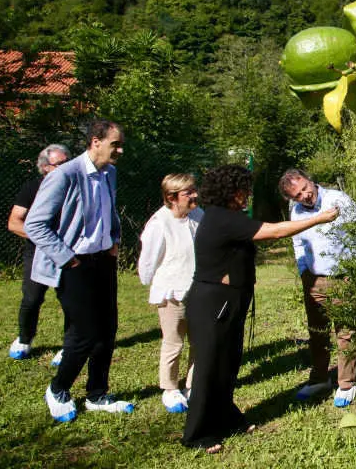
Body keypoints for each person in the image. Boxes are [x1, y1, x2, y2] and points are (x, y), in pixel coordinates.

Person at [182, 164, 338, 453]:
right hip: (214, 303)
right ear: (231, 191)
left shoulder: (227, 217)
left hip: (230, 301)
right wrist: (320, 218)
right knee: (209, 368)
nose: (247, 196)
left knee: (227, 364)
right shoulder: (221, 219)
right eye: (244, 190)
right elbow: (275, 232)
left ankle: (227, 418)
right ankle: (196, 434)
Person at [25, 119, 131, 423]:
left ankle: (97, 394)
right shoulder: (65, 175)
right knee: (84, 333)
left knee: (107, 330)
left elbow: (107, 212)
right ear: (95, 142)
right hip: (74, 264)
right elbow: (34, 224)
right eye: (115, 144)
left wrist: (115, 241)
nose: (120, 150)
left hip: (103, 261)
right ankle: (58, 389)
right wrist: (67, 258)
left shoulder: (110, 172)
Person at [278, 168, 356, 406]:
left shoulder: (338, 200)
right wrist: (304, 270)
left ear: (311, 181)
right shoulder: (295, 211)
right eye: (297, 195)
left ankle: (346, 384)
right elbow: (298, 243)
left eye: (305, 188)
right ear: (292, 199)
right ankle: (319, 379)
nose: (305, 195)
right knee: (317, 332)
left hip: (343, 277)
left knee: (345, 331)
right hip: (314, 279)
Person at [138, 173, 203, 414]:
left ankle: (193, 385)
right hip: (172, 291)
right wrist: (153, 284)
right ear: (171, 197)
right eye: (188, 193)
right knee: (174, 341)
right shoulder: (160, 223)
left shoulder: (198, 215)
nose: (194, 195)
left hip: (198, 289)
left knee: (199, 341)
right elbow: (148, 261)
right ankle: (170, 388)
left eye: (194, 190)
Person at [8, 144, 71, 363]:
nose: (67, 167)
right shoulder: (32, 188)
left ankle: (68, 347)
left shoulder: (75, 189)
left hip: (70, 255)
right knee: (31, 299)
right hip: (38, 253)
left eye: (68, 162)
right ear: (45, 167)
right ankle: (25, 339)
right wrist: (47, 240)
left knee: (71, 301)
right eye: (60, 164)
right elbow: (14, 223)